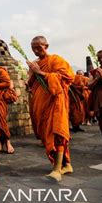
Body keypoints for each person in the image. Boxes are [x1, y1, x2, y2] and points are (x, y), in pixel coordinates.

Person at [27, 36, 74, 182]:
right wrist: (32, 72)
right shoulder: (36, 64)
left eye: (39, 47)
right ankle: (67, 165)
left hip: (55, 102)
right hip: (42, 103)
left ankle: (57, 170)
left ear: (46, 46)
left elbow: (67, 77)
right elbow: (31, 84)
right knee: (47, 134)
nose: (36, 50)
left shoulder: (56, 60)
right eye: (33, 47)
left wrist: (41, 72)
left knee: (57, 133)